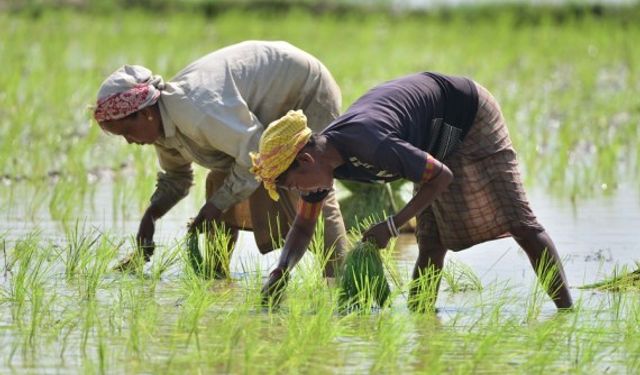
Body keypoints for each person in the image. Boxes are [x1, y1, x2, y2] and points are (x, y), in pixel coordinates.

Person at [251, 72, 573, 310]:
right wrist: (282, 269)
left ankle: (566, 311)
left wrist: (392, 226)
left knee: (521, 223)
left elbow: (442, 176)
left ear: (305, 160)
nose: (297, 191)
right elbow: (305, 225)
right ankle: (423, 320)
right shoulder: (322, 166)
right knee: (431, 240)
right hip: (428, 138)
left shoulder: (369, 142)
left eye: (292, 184)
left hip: (468, 114)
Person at [92, 41, 348, 277]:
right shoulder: (162, 129)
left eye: (127, 131)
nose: (129, 141)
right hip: (263, 108)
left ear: (145, 113)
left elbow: (254, 157)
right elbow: (177, 179)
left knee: (313, 191)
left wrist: (216, 205)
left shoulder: (197, 111)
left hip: (303, 89)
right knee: (220, 183)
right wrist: (150, 217)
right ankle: (216, 276)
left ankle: (342, 284)